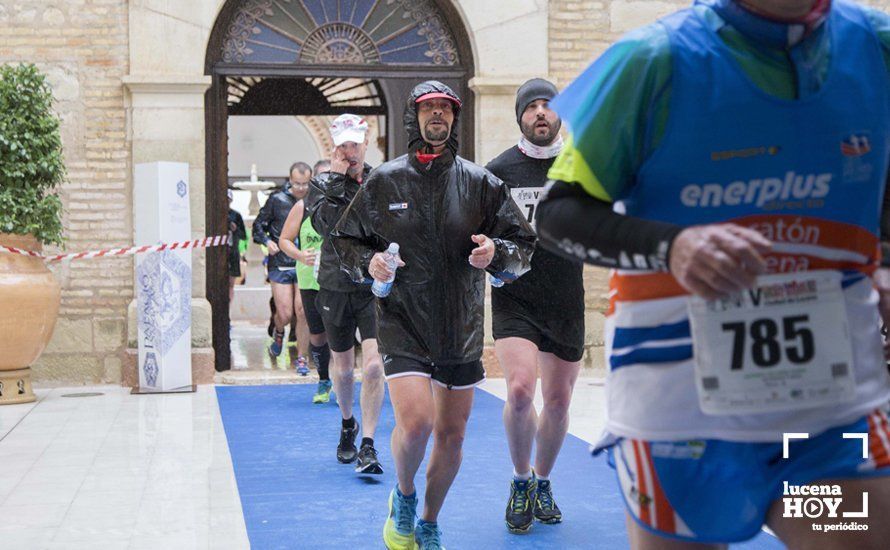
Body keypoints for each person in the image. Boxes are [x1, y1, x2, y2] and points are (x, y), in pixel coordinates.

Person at [536, 0, 890, 548]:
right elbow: (557, 215)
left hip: (827, 417)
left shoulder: (875, 43)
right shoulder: (650, 59)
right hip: (683, 418)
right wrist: (673, 247)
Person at [331, 81, 537, 550]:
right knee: (418, 421)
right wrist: (371, 263)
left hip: (460, 327)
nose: (438, 116)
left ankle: (428, 519)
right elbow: (345, 241)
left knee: (450, 433)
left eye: (446, 108)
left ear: (454, 118)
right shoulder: (385, 181)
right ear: (415, 117)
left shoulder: (481, 183)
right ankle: (403, 496)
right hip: (402, 320)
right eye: (429, 109)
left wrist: (496, 252)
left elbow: (523, 246)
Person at [485, 78, 585, 534]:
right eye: (532, 107)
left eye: (548, 105)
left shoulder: (581, 165)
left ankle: (544, 480)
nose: (540, 113)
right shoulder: (497, 171)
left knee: (559, 401)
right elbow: (479, 230)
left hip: (565, 299)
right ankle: (520, 480)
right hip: (515, 296)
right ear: (520, 117)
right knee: (522, 390)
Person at [306, 114, 385, 474]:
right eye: (343, 146)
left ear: (366, 145)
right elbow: (324, 224)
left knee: (372, 365)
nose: (349, 151)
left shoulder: (379, 182)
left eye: (355, 144)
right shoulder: (322, 184)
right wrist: (336, 180)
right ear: (333, 148)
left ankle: (368, 443)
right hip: (334, 283)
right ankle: (347, 422)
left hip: (371, 284)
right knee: (342, 367)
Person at [253, 162, 313, 373]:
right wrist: (266, 241)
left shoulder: (313, 202)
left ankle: (302, 358)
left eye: (305, 184)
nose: (301, 188)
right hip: (280, 262)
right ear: (289, 180)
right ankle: (279, 331)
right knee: (286, 314)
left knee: (303, 311)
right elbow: (258, 225)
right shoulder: (277, 200)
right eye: (297, 184)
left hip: (305, 263)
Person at [280, 186, 333, 402]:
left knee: (341, 333)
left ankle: (342, 381)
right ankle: (323, 380)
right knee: (318, 334)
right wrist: (300, 255)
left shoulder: (340, 204)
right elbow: (284, 240)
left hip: (337, 281)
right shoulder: (302, 208)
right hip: (310, 280)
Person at [227, 189, 247, 304]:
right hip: (218, 253)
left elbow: (244, 235)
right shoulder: (215, 214)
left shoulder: (236, 215)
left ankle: (227, 311)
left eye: (228, 200)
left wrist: (235, 229)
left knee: (230, 284)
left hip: (233, 252)